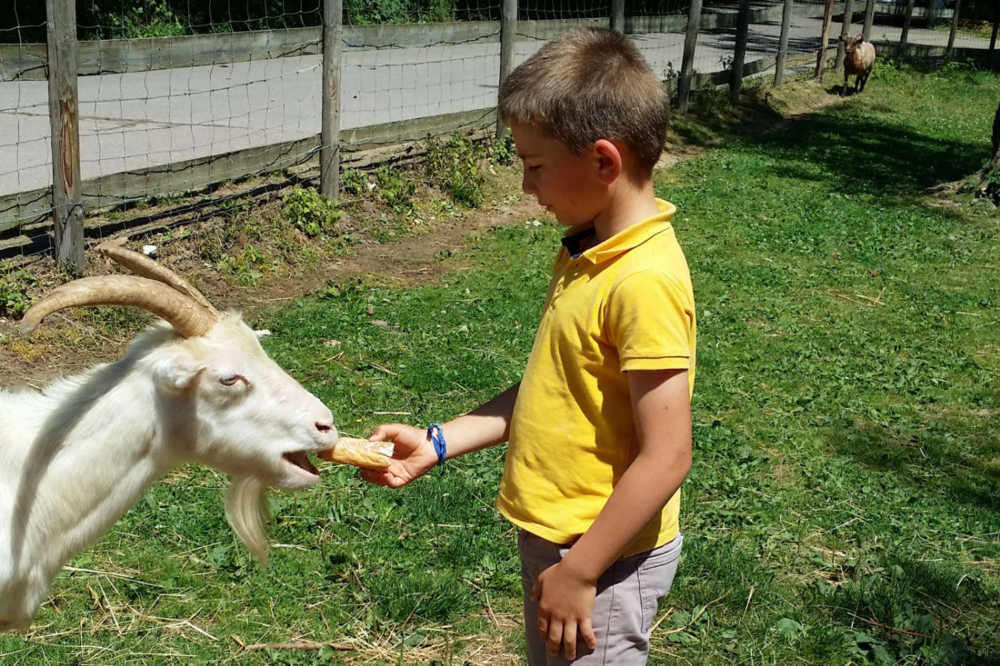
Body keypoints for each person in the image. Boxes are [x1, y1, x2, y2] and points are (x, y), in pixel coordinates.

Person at [361, 27, 696, 665]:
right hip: (563, 542)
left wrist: (581, 571)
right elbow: (552, 389)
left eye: (535, 166)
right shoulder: (589, 251)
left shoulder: (643, 280)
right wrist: (437, 443)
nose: (525, 186)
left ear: (604, 161)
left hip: (603, 555)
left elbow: (668, 455)